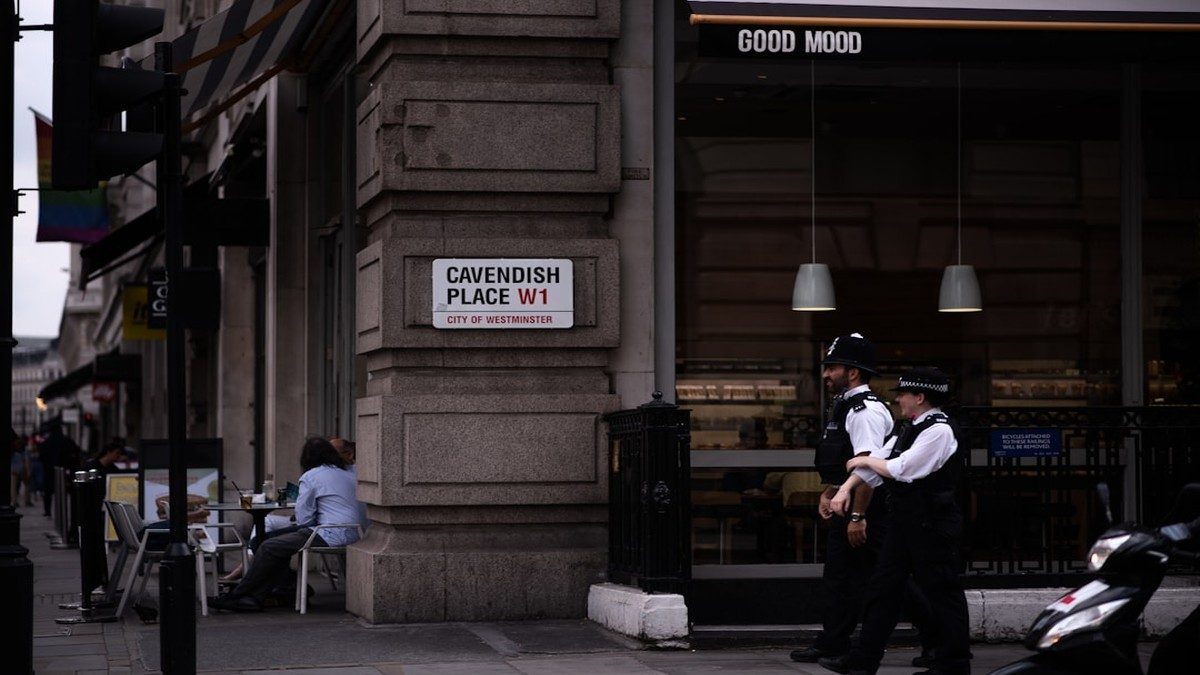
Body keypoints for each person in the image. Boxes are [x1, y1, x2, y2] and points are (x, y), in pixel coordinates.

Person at [794, 334, 934, 665]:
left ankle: (938, 640)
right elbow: (845, 460)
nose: (826, 374)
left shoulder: (864, 411)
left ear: (853, 372)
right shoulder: (844, 406)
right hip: (852, 504)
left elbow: (869, 468)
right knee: (842, 577)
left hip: (870, 509)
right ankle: (834, 642)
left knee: (891, 579)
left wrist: (858, 516)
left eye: (832, 368)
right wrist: (830, 492)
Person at [824, 367, 971, 675]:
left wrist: (863, 459)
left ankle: (953, 664)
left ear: (920, 397)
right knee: (883, 589)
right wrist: (845, 490)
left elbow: (902, 468)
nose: (899, 400)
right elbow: (877, 464)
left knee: (942, 592)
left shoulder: (939, 430)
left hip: (933, 523)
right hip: (904, 521)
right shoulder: (909, 428)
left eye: (903, 394)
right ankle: (864, 660)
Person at [211, 437, 367, 612]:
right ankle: (274, 590)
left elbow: (304, 519)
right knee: (265, 541)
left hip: (330, 533)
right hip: (358, 532)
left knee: (269, 546)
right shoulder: (351, 472)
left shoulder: (311, 476)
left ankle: (239, 596)